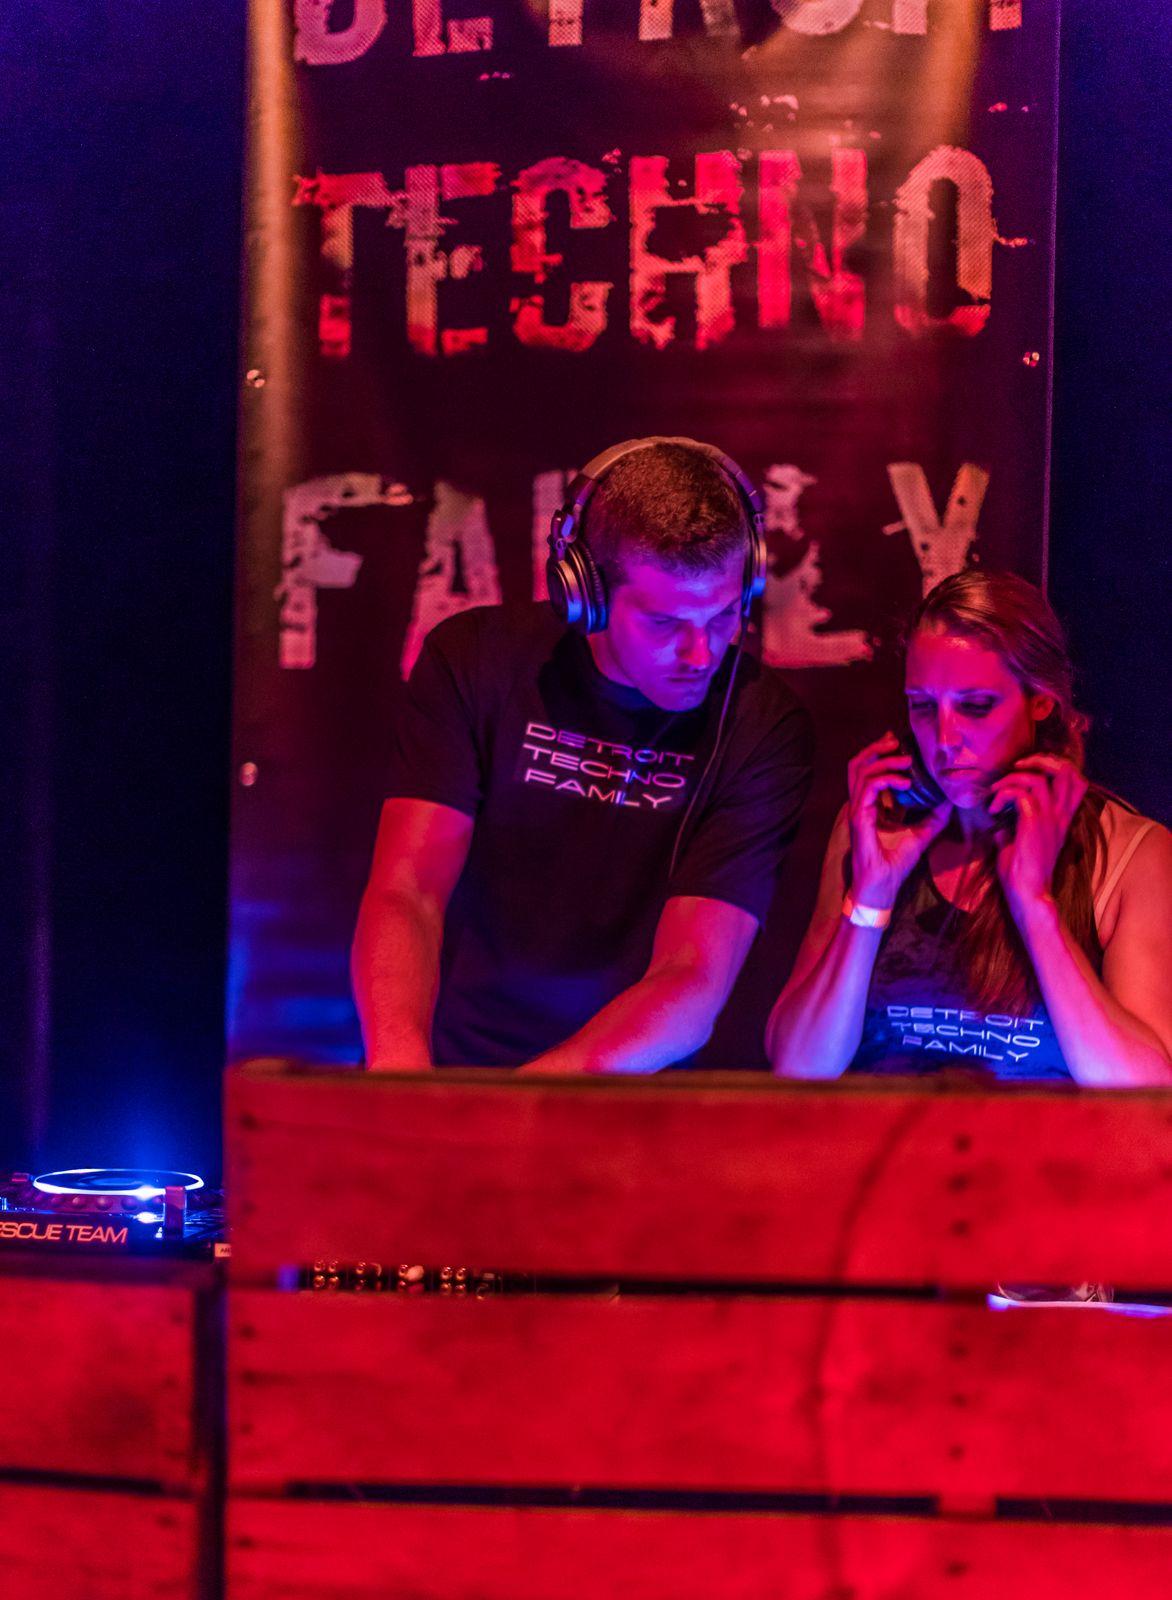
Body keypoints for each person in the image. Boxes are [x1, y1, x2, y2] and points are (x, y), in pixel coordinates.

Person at [354, 437, 814, 1073]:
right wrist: (401, 1075)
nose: (702, 654)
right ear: (586, 595)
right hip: (463, 1068)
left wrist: (526, 1106)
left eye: (722, 616)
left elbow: (691, 974)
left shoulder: (762, 724)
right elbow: (409, 891)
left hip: (639, 1090)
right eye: (665, 624)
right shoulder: (475, 663)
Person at [766, 568, 1172, 1087]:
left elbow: (1145, 1092)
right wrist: (870, 898)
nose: (944, 738)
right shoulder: (874, 829)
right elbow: (799, 1067)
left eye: (976, 706)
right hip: (884, 1139)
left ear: (1040, 700)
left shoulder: (1132, 853)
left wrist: (1035, 905)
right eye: (922, 707)